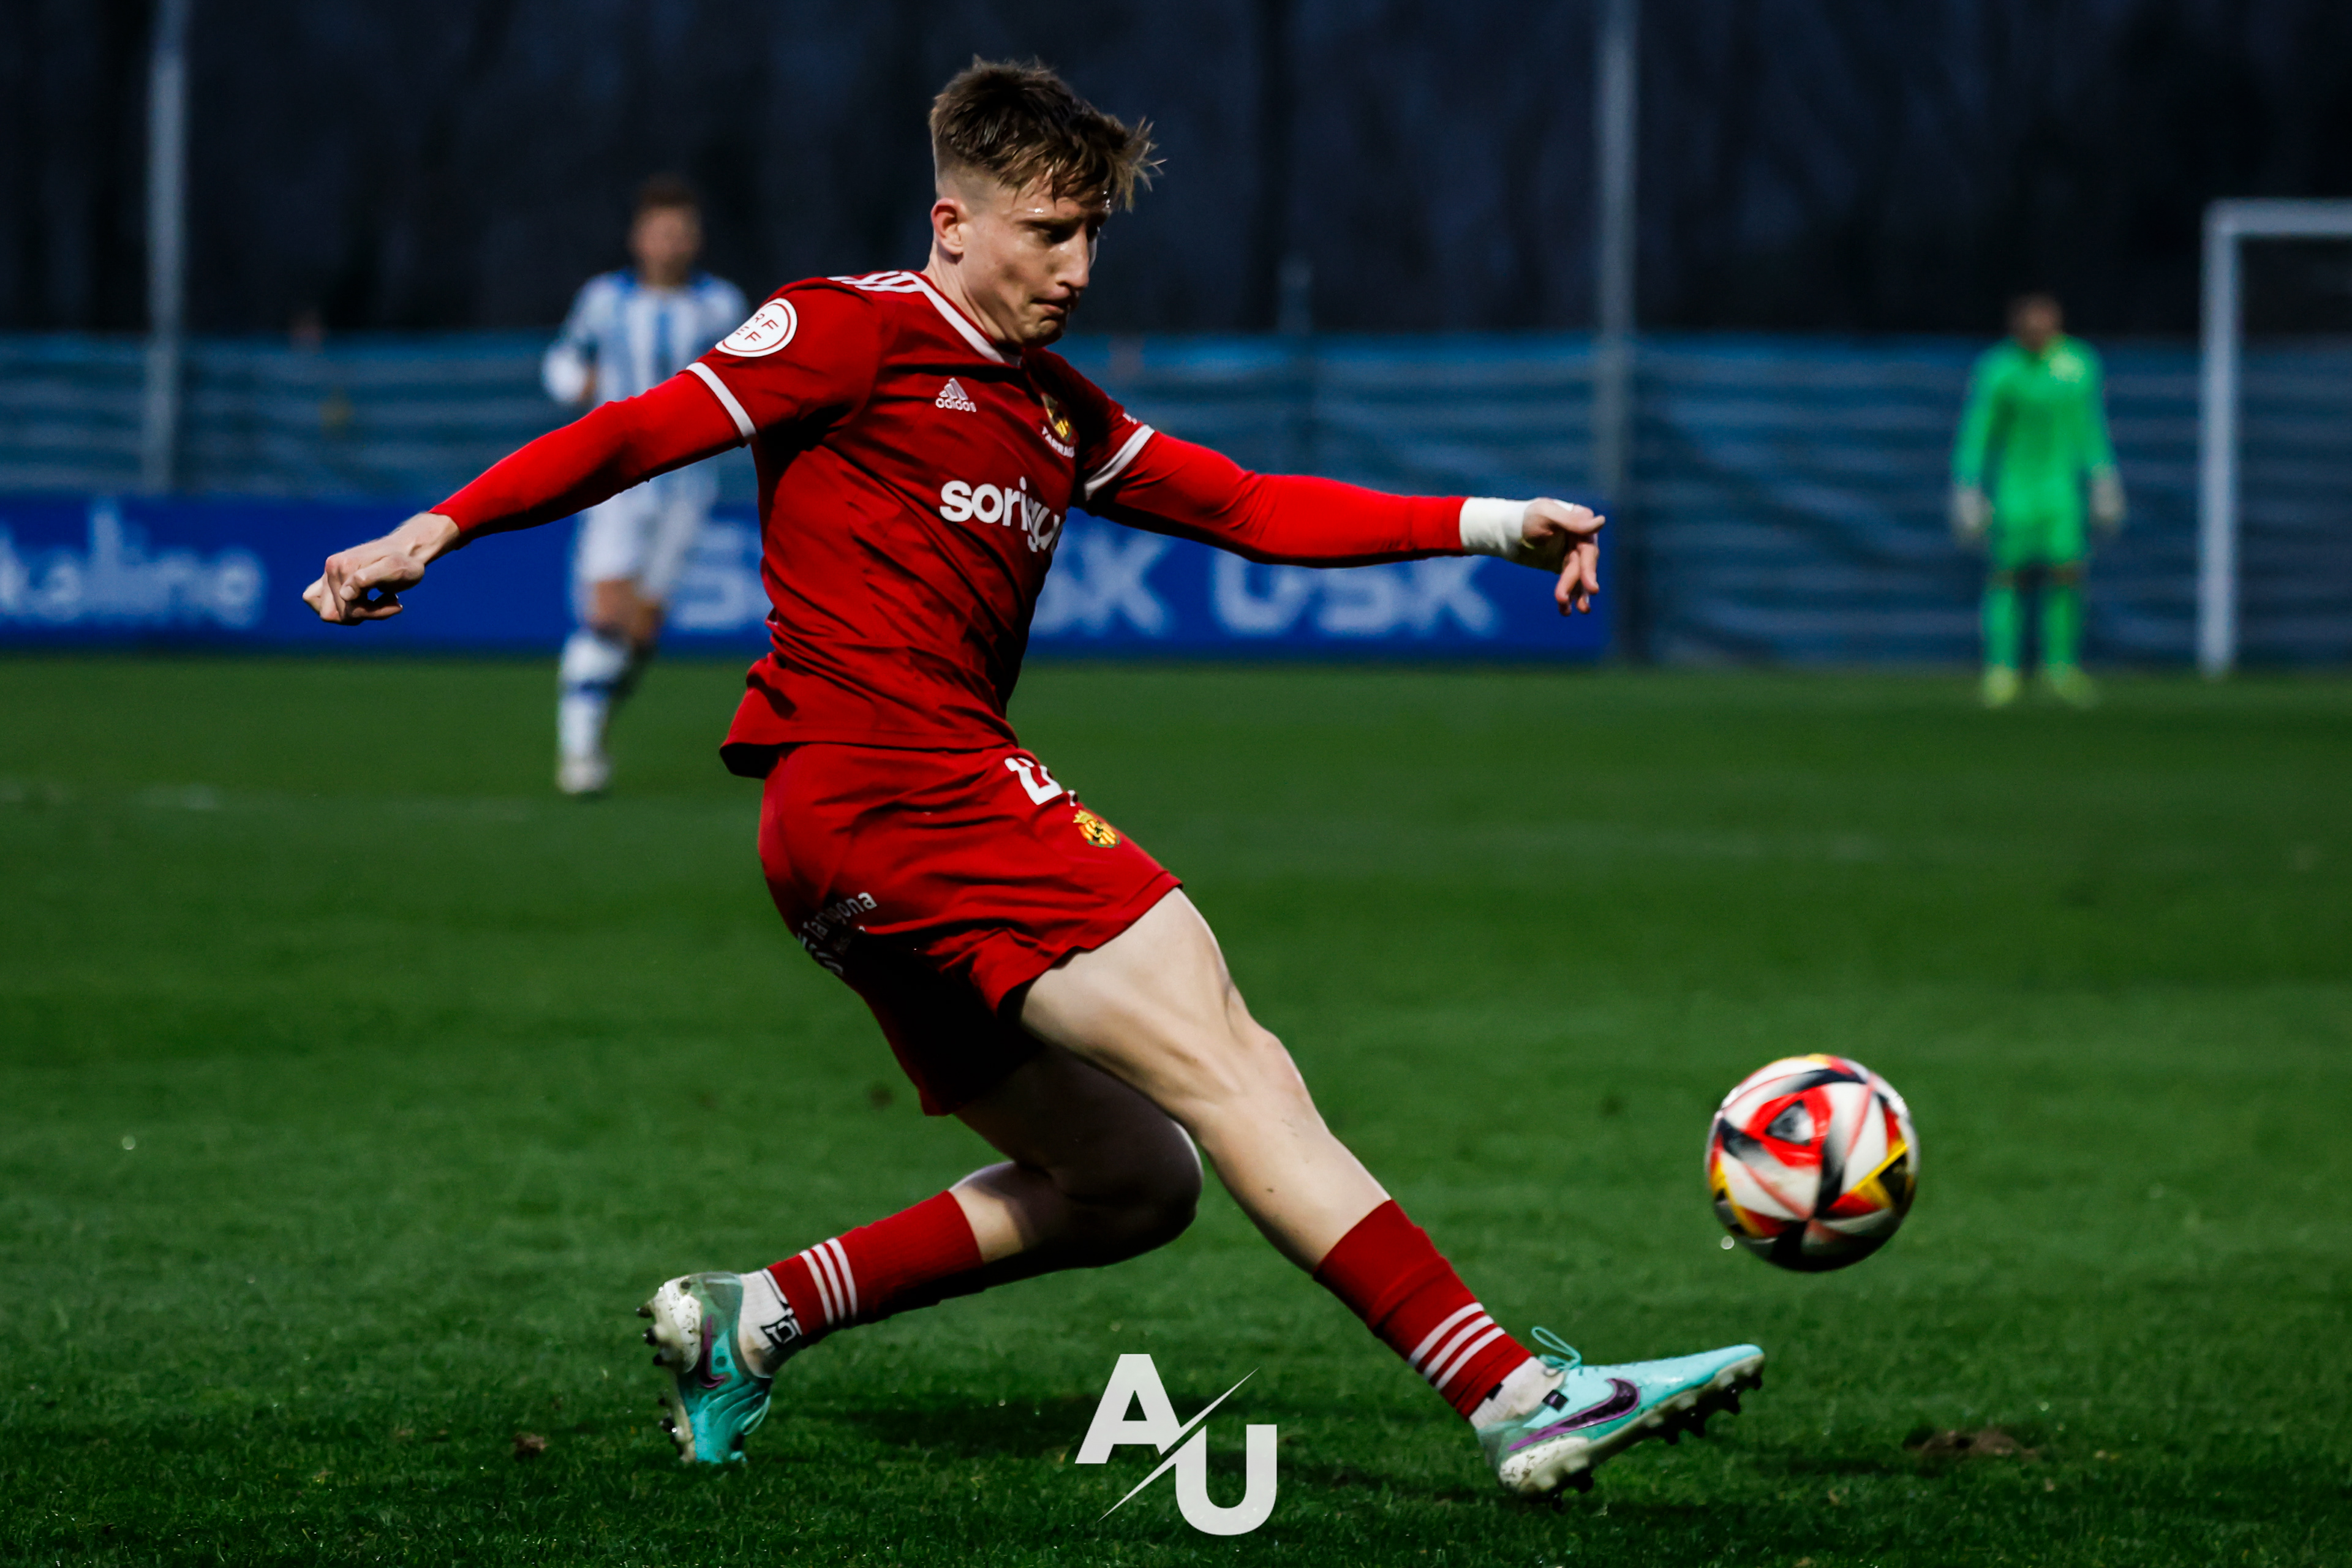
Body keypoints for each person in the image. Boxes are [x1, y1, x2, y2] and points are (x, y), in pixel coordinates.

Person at [302, 61, 1763, 1497]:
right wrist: (435, 529)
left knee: (1135, 1182)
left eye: (1092, 235)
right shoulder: (852, 329)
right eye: (1047, 233)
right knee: (1233, 1058)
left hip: (840, 845)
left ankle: (757, 1314)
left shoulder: (1055, 407)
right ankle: (1513, 1392)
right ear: (953, 223)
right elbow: (638, 428)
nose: (1076, 269)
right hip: (903, 781)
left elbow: (1250, 506)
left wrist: (1495, 522)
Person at [541, 177, 748, 793]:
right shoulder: (605, 300)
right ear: (639, 237)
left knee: (641, 630)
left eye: (681, 232)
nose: (670, 243)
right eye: (661, 231)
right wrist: (574, 384)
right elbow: (564, 358)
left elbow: (747, 375)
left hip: (688, 486)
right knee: (607, 613)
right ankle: (579, 754)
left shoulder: (720, 304)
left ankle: (593, 716)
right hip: (616, 480)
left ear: (695, 239)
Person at [1950, 292, 2126, 709]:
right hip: (2015, 490)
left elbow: (2089, 427)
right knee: (2007, 576)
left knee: (2067, 574)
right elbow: (1978, 430)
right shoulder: (1999, 368)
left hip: (2061, 491)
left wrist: (2104, 478)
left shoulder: (2078, 364)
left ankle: (2060, 668)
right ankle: (2002, 669)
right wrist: (1967, 485)